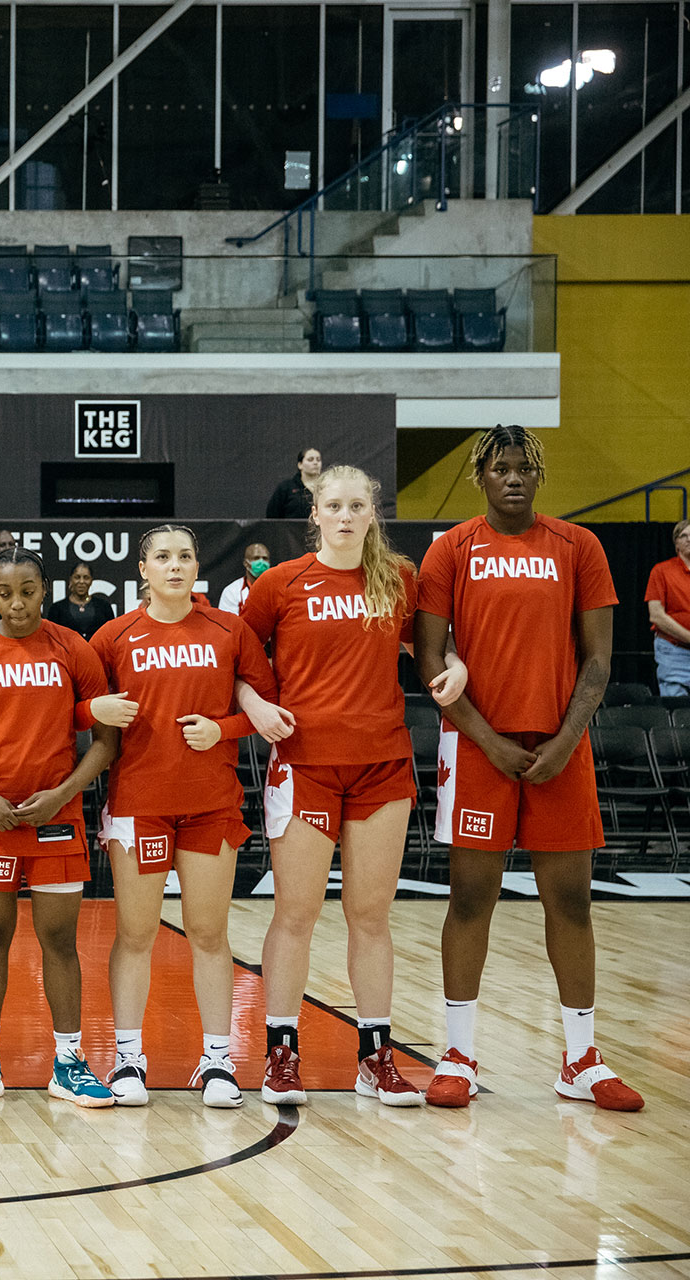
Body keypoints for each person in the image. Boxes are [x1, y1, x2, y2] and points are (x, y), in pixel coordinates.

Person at [414, 425, 643, 1111]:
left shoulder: (580, 546)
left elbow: (599, 659)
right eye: (500, 468)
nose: (513, 478)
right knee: (470, 899)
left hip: (560, 749)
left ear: (538, 475)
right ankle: (458, 1053)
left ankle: (581, 1061)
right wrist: (489, 742)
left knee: (571, 901)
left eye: (524, 468)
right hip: (480, 746)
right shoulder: (451, 550)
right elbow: (428, 662)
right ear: (481, 475)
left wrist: (567, 740)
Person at [242, 466, 467, 1110]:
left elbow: (434, 648)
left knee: (370, 917)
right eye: (333, 505)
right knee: (296, 915)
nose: (345, 515)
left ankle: (376, 1059)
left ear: (373, 514)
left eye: (357, 506)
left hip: (381, 766)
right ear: (313, 513)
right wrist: (253, 704)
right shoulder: (281, 583)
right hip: (306, 764)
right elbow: (237, 658)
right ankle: (282, 1054)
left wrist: (455, 665)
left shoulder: (398, 580)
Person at [89, 525, 284, 1109]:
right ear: (142, 569)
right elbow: (78, 706)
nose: (176, 566)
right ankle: (127, 1057)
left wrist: (220, 729)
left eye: (185, 556)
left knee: (208, 932)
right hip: (139, 807)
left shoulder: (231, 630)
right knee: (136, 934)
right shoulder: (113, 636)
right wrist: (90, 707)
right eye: (163, 557)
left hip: (209, 806)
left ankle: (218, 1060)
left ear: (198, 565)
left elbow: (264, 704)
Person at [0, 546, 120, 1108]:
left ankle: (69, 1063)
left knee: (60, 942)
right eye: (5, 593)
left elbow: (106, 742)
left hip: (56, 821)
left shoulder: (74, 648)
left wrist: (63, 795)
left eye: (28, 592)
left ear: (47, 590)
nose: (17, 605)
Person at [645, 519, 690, 696]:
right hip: (673, 650)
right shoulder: (661, 571)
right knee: (676, 705)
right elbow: (656, 615)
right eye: (683, 536)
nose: (689, 539)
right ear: (676, 543)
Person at [45, 561, 118, 639]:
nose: (81, 582)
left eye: (86, 577)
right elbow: (50, 638)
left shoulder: (104, 606)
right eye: (77, 577)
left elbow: (112, 635)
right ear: (71, 579)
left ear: (91, 581)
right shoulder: (57, 608)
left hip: (96, 651)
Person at [266, 447, 323, 519]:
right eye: (310, 460)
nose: (315, 463)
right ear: (300, 465)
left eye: (318, 460)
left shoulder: (326, 487)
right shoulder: (286, 488)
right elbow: (272, 517)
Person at [218, 542, 271, 614]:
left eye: (265, 558)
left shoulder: (278, 589)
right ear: (246, 563)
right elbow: (227, 622)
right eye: (256, 558)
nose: (261, 562)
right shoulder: (231, 591)